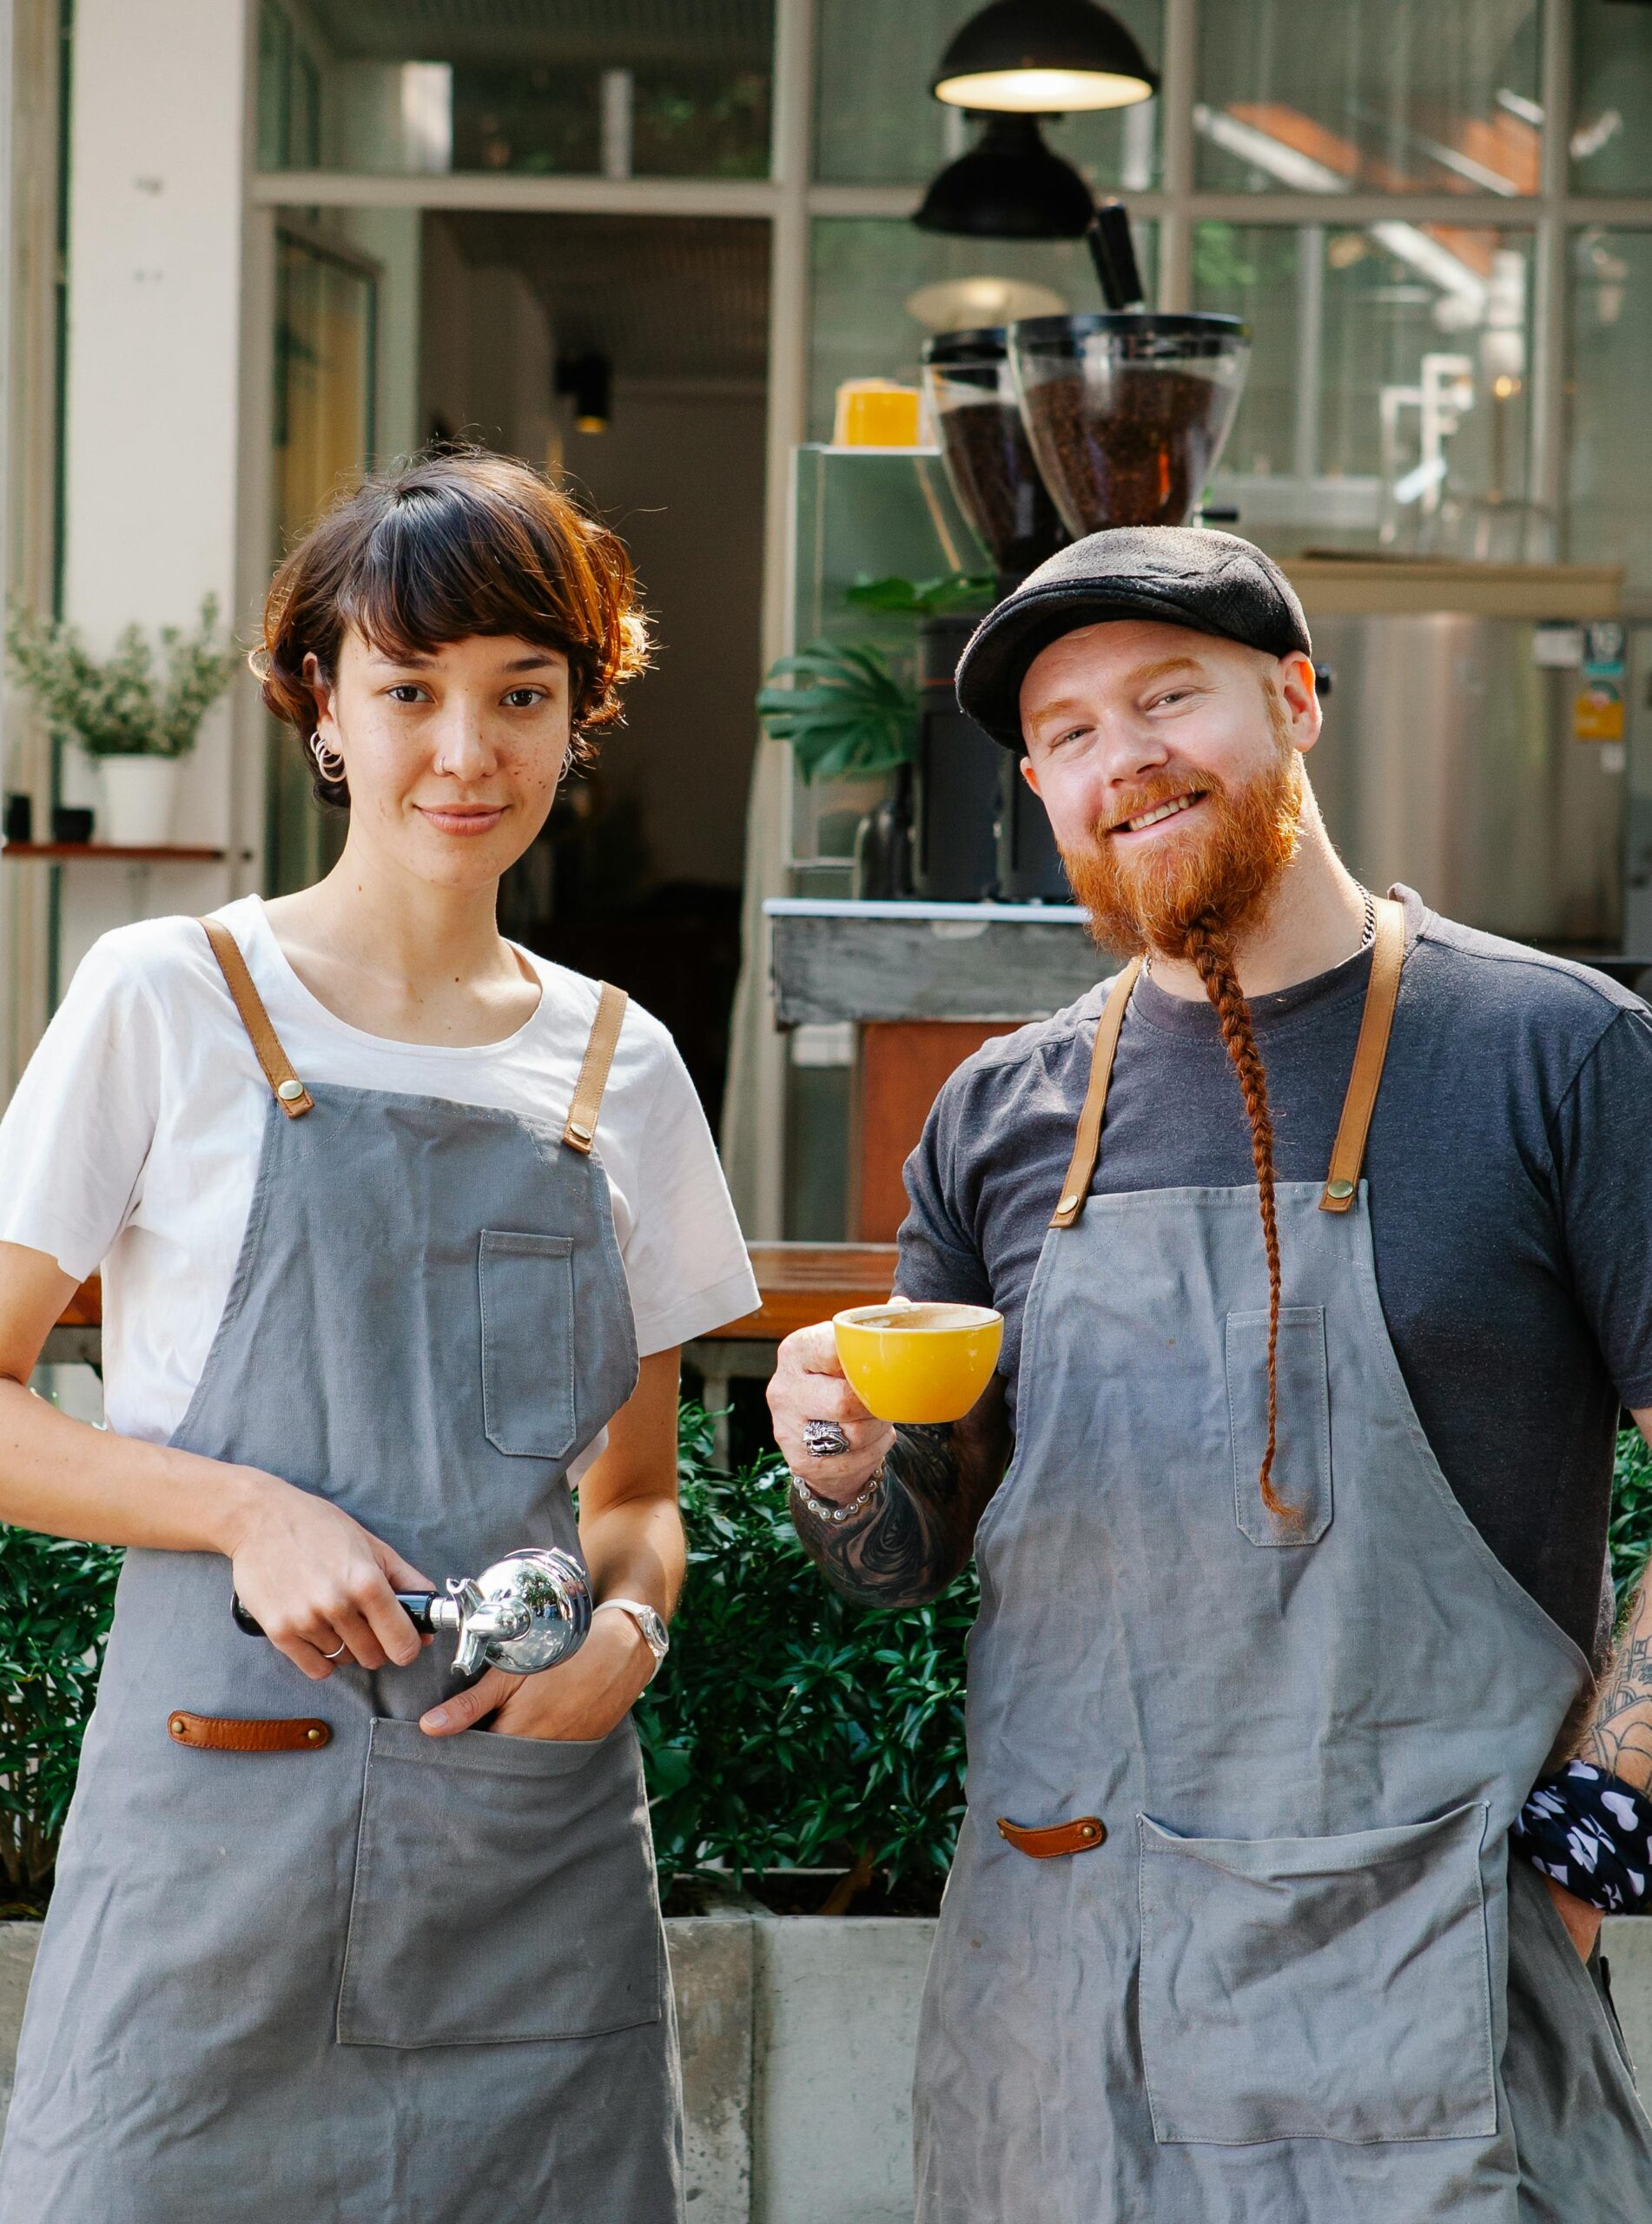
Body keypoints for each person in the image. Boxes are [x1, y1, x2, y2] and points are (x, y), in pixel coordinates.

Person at [768, 526, 1652, 2222]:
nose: (1125, 758)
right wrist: (835, 1459)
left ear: (1297, 700)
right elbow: (902, 1554)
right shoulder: (1000, 1114)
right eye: (1071, 732)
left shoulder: (1554, 1056)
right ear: (1043, 786)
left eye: (1170, 698)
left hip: (1422, 2000)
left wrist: (1585, 1851)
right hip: (1056, 2015)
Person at [0, 450, 757, 2221]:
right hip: (214, 1844)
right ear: (321, 705)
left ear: (580, 719)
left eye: (522, 694)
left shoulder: (622, 1065)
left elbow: (636, 1496)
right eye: (409, 690)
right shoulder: (168, 995)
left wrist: (628, 1631)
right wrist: (247, 1513)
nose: (466, 751)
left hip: (524, 1857)